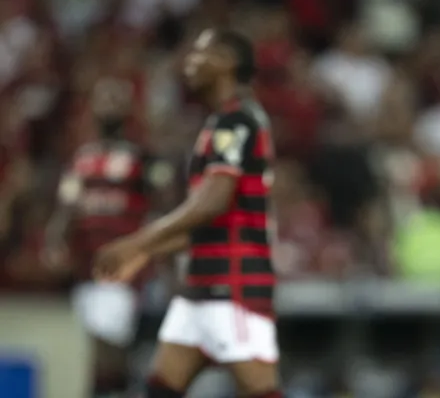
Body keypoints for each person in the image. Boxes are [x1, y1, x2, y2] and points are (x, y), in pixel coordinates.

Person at [94, 28, 280, 398]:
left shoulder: (238, 121)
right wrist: (143, 252)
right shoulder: (219, 123)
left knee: (261, 391)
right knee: (160, 389)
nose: (189, 63)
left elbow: (212, 202)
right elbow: (205, 222)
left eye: (200, 55)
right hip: (201, 285)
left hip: (235, 285)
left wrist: (138, 240)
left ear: (227, 62)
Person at [43, 77, 173, 398]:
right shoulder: (82, 159)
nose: (110, 105)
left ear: (129, 109)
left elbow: (165, 202)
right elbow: (67, 206)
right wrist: (54, 239)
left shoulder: (142, 157)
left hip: (123, 270)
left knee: (108, 347)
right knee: (92, 350)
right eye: (104, 98)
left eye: (117, 99)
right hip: (86, 266)